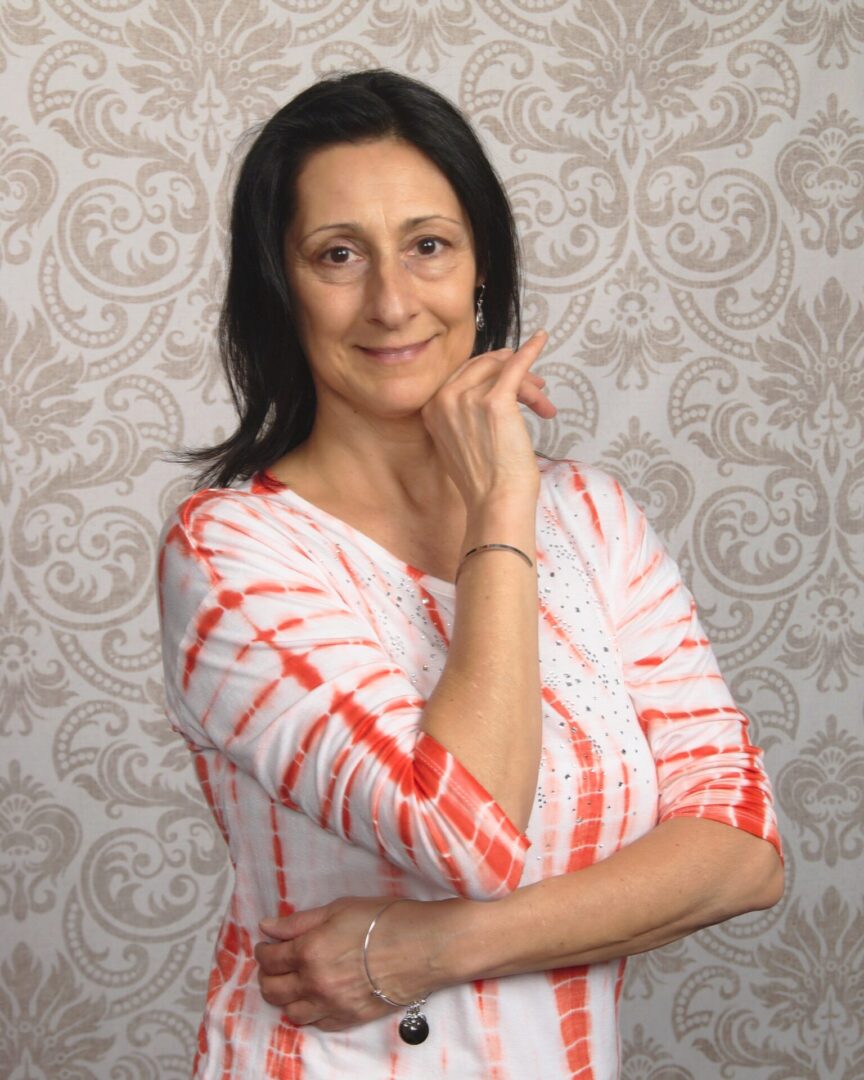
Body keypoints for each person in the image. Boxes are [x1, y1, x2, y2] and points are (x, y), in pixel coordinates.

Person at [157, 69, 783, 1080]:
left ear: (479, 266)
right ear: (280, 285)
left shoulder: (592, 516)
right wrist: (500, 508)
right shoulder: (232, 550)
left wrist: (425, 949)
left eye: (428, 246)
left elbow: (744, 851)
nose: (393, 301)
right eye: (339, 255)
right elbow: (467, 833)